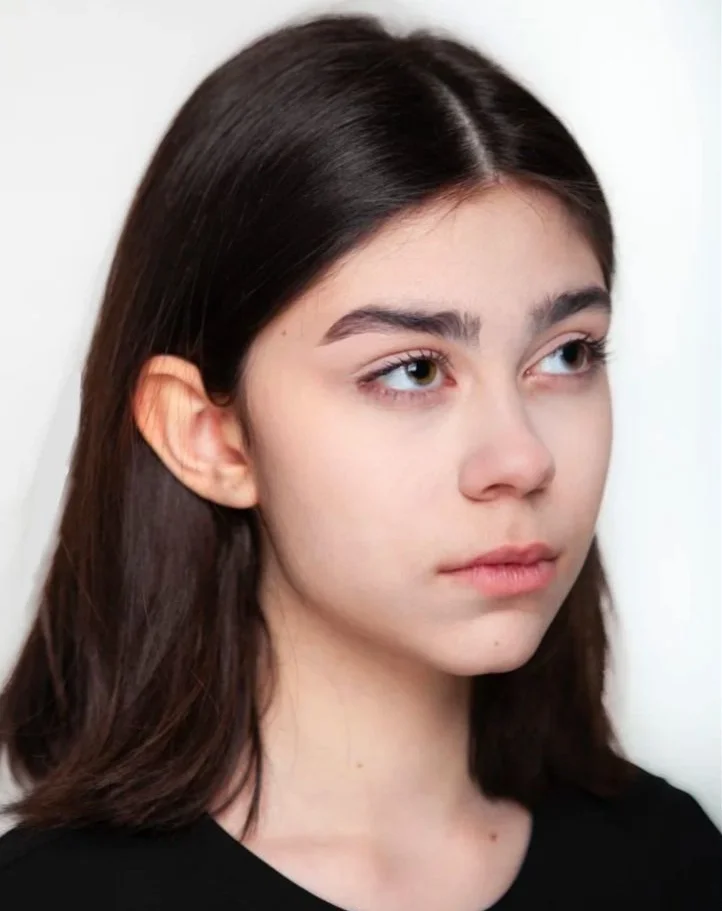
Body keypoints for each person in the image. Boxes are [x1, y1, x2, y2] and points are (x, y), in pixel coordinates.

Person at [0, 11, 719, 911]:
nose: (522, 458)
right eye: (412, 370)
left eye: (567, 354)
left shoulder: (676, 867)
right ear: (208, 435)